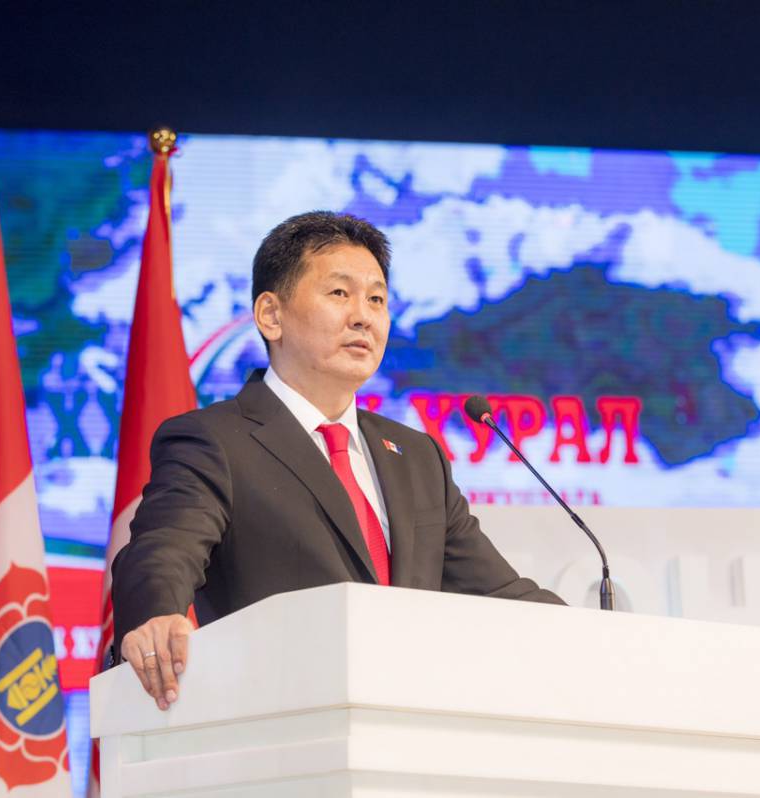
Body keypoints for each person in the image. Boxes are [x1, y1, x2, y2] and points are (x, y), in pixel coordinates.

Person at [111, 211, 565, 709]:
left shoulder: (417, 457)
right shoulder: (214, 440)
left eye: (376, 299)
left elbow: (499, 594)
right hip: (283, 719)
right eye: (339, 293)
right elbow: (163, 551)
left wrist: (602, 637)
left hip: (407, 726)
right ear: (271, 315)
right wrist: (156, 616)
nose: (363, 316)